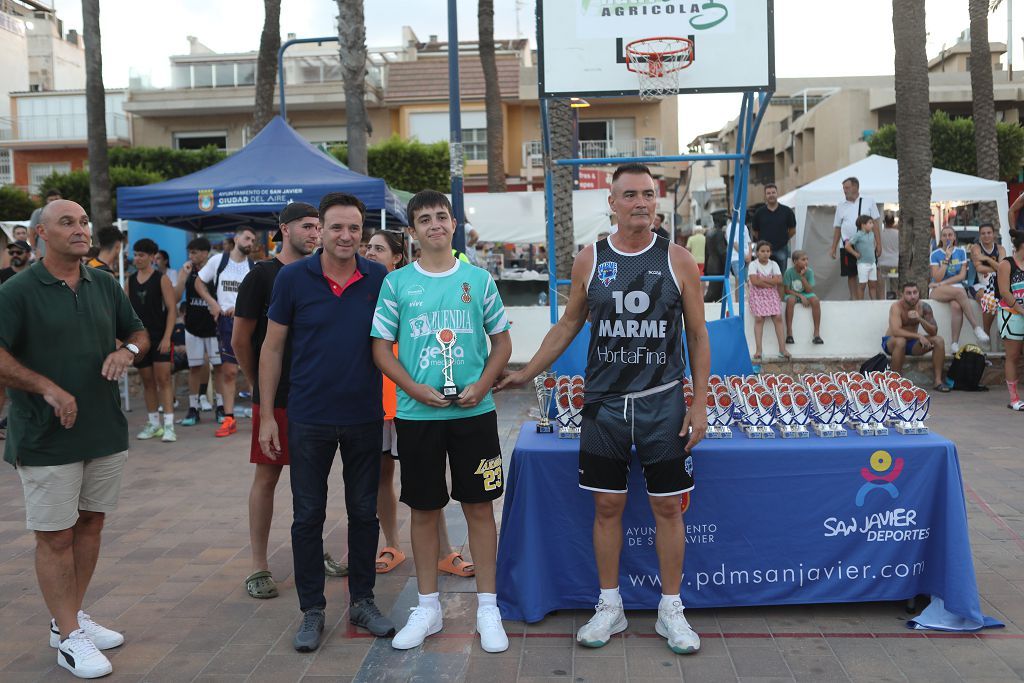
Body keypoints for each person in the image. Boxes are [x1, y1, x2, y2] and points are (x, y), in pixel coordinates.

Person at [498, 162, 709, 656]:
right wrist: (527, 372)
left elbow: (699, 336)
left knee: (668, 507)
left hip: (662, 403)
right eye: (630, 195)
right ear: (612, 204)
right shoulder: (591, 259)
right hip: (604, 407)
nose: (641, 202)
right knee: (607, 506)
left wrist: (699, 403)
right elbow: (568, 325)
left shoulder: (678, 259)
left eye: (648, 194)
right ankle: (610, 606)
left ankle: (671, 609)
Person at [0, 199, 148, 678]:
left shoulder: (103, 283)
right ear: (40, 234)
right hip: (45, 436)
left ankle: (69, 619)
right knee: (55, 536)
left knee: (90, 524)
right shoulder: (17, 291)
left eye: (84, 221)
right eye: (67, 222)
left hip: (102, 429)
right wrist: (47, 387)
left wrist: (127, 352)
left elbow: (138, 332)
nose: (81, 228)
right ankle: (69, 638)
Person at [371, 191, 512, 654]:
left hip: (475, 413)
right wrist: (413, 388)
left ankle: (488, 608)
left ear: (454, 224)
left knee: (479, 507)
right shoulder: (397, 284)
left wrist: (483, 384)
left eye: (441, 216)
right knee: (424, 508)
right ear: (411, 231)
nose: (434, 224)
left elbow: (502, 343)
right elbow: (380, 349)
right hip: (418, 415)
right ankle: (427, 607)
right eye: (424, 219)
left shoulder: (479, 280)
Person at [259, 192, 395, 651]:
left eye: (354, 228)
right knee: (307, 516)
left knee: (364, 513)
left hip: (363, 415)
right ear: (320, 229)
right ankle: (312, 610)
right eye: (336, 227)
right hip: (309, 417)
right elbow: (272, 347)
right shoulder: (293, 278)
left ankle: (363, 601)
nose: (345, 235)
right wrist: (267, 416)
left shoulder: (378, 277)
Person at [233, 203, 335, 599]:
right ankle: (258, 565)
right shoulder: (262, 275)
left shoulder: (321, 273)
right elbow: (241, 340)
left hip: (316, 396)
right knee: (267, 476)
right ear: (284, 229)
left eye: (317, 227)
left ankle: (312, 553)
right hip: (276, 397)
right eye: (307, 226)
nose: (314, 233)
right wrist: (258, 386)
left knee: (313, 482)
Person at [362, 229, 477, 579]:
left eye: (378, 248)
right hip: (377, 398)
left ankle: (444, 551)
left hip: (414, 400)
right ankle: (391, 544)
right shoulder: (363, 290)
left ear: (397, 256)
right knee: (382, 473)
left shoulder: (414, 284)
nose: (369, 253)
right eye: (368, 248)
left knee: (428, 479)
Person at [195, 227, 256, 437]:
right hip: (226, 322)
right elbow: (198, 283)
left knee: (253, 371)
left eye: (253, 240)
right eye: (247, 238)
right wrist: (212, 303)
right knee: (229, 371)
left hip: (248, 321)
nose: (250, 243)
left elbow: (258, 298)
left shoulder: (253, 267)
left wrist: (241, 308)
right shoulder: (218, 261)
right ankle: (229, 418)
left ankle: (258, 417)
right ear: (236, 238)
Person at [126, 238, 178, 443]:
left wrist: (167, 337)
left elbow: (172, 310)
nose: (137, 258)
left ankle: (169, 425)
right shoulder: (129, 281)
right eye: (135, 254)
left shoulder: (162, 279)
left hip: (160, 337)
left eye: (141, 255)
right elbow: (125, 312)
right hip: (140, 340)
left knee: (164, 380)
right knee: (147, 382)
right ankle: (154, 423)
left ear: (152, 257)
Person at [174, 237, 223, 426]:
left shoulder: (216, 270)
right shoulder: (188, 271)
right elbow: (176, 297)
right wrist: (182, 278)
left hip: (214, 327)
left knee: (219, 367)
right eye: (189, 252)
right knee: (194, 367)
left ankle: (221, 407)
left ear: (204, 253)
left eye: (194, 252)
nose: (190, 256)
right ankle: (193, 408)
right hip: (193, 327)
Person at [929, 225, 990, 353]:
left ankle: (954, 344)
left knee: (957, 307)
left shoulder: (961, 252)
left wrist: (941, 283)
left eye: (950, 235)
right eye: (944, 235)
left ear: (954, 237)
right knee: (960, 292)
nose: (947, 237)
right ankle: (976, 328)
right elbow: (937, 278)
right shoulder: (935, 254)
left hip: (951, 286)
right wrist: (946, 258)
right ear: (941, 238)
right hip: (938, 290)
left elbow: (962, 276)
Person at [883, 282, 949, 392]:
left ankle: (938, 381)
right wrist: (918, 336)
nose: (912, 296)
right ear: (902, 294)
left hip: (911, 344)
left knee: (938, 340)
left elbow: (934, 331)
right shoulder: (896, 307)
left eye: (915, 292)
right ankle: (895, 382)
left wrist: (919, 319)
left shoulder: (924, 307)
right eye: (908, 293)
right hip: (892, 342)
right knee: (901, 341)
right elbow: (896, 331)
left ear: (919, 293)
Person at [831, 177, 880, 300]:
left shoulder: (869, 201)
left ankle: (874, 302)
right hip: (848, 245)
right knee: (851, 274)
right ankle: (854, 301)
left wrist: (879, 244)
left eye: (847, 187)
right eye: (843, 188)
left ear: (856, 187)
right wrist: (833, 248)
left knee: (871, 274)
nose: (844, 190)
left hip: (866, 245)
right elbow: (837, 227)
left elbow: (875, 224)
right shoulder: (841, 205)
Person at [996, 230, 1024, 410]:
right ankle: (1014, 399)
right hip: (1011, 315)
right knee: (1013, 356)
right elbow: (1005, 292)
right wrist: (1021, 310)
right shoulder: (1006, 264)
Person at [749, 240, 789, 360]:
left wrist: (762, 280)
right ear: (757, 253)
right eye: (762, 251)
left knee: (778, 317)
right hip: (757, 295)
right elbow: (754, 282)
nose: (765, 253)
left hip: (772, 294)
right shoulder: (753, 265)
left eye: (767, 251)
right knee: (759, 319)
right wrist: (770, 282)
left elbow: (779, 280)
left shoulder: (774, 264)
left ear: (770, 253)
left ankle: (782, 349)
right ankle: (759, 350)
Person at [751, 183, 796, 274]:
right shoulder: (759, 213)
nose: (771, 195)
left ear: (777, 193)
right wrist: (763, 241)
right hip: (764, 250)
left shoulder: (787, 211)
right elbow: (755, 231)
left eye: (773, 192)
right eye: (768, 193)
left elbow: (792, 230)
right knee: (764, 274)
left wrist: (784, 239)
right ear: (765, 195)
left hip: (781, 248)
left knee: (781, 275)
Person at [970, 222, 1005, 338]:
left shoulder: (1000, 249)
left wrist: (986, 259)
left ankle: (1001, 333)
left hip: (997, 284)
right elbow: (979, 268)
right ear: (980, 235)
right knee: (988, 299)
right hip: (978, 284)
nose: (986, 235)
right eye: (983, 233)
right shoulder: (976, 248)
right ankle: (986, 334)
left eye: (989, 233)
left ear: (993, 234)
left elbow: (1003, 268)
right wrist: (997, 267)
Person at [783, 250, 823, 344]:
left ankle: (816, 334)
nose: (806, 262)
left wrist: (802, 277)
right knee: (791, 300)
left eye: (807, 259)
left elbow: (809, 290)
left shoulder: (809, 272)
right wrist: (800, 296)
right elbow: (787, 290)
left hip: (806, 294)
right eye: (803, 259)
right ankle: (789, 333)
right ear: (795, 261)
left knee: (815, 300)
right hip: (792, 293)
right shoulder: (788, 272)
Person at [845, 215, 880, 300]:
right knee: (862, 285)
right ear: (863, 225)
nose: (872, 225)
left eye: (872, 223)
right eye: (870, 223)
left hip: (872, 263)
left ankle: (874, 303)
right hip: (862, 264)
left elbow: (872, 245)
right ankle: (860, 304)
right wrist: (855, 254)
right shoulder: (858, 235)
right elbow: (847, 246)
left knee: (873, 285)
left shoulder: (871, 234)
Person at [28, 189, 62, 259]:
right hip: (43, 250)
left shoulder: (66, 212)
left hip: (62, 249)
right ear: (46, 201)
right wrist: (34, 250)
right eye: (51, 199)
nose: (54, 201)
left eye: (56, 199)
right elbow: (31, 234)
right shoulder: (38, 213)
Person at [878, 212, 900, 299]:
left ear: (884, 222)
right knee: (895, 283)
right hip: (895, 264)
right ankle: (895, 298)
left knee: (882, 285)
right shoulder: (898, 234)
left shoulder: (880, 234)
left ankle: (882, 299)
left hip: (883, 264)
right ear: (893, 222)